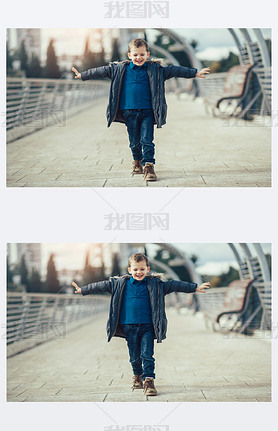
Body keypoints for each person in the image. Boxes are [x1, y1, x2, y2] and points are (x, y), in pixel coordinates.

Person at [72, 252, 210, 396]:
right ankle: (137, 375)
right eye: (136, 269)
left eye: (142, 269)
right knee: (134, 357)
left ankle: (149, 381)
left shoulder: (156, 284)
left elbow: (175, 285)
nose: (139, 272)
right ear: (129, 270)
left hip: (148, 326)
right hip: (128, 327)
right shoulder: (119, 284)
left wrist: (194, 287)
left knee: (147, 355)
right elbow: (101, 285)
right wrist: (83, 290)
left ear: (148, 269)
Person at [72, 38, 210, 181]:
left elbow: (175, 70)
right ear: (129, 55)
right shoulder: (119, 70)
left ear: (147, 54)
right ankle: (137, 160)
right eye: (136, 55)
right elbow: (101, 71)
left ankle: (149, 166)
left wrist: (194, 73)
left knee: (147, 140)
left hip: (148, 112)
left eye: (142, 55)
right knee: (134, 142)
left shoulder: (156, 70)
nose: (139, 58)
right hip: (128, 112)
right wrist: (83, 75)